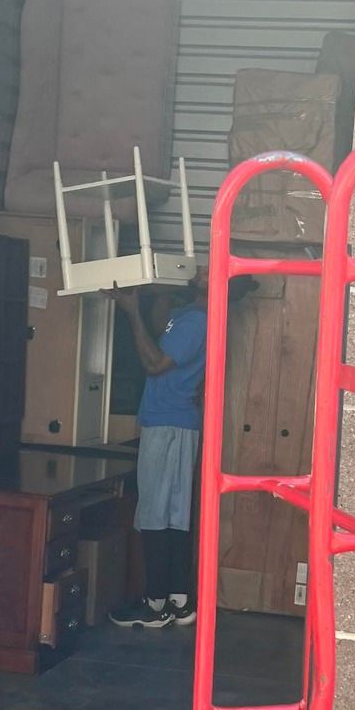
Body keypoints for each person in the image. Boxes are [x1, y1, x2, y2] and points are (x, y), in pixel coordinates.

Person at [108, 269, 241, 629]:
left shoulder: (195, 321)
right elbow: (162, 335)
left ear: (214, 283)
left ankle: (155, 606)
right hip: (178, 422)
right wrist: (150, 295)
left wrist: (131, 312)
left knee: (154, 513)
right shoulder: (191, 317)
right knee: (173, 514)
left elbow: (154, 364)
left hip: (167, 424)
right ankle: (179, 601)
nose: (196, 269)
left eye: (204, 269)